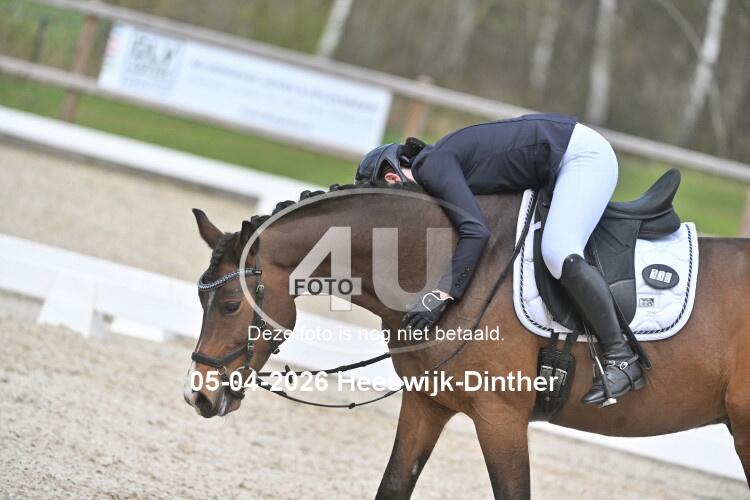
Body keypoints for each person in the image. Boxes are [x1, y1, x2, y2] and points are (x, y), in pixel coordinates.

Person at [354, 113, 644, 405]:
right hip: (565, 154)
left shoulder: (431, 166)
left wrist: (441, 294)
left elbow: (475, 231)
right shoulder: (438, 161)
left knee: (558, 251)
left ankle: (621, 356)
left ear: (392, 179)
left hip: (582, 157)